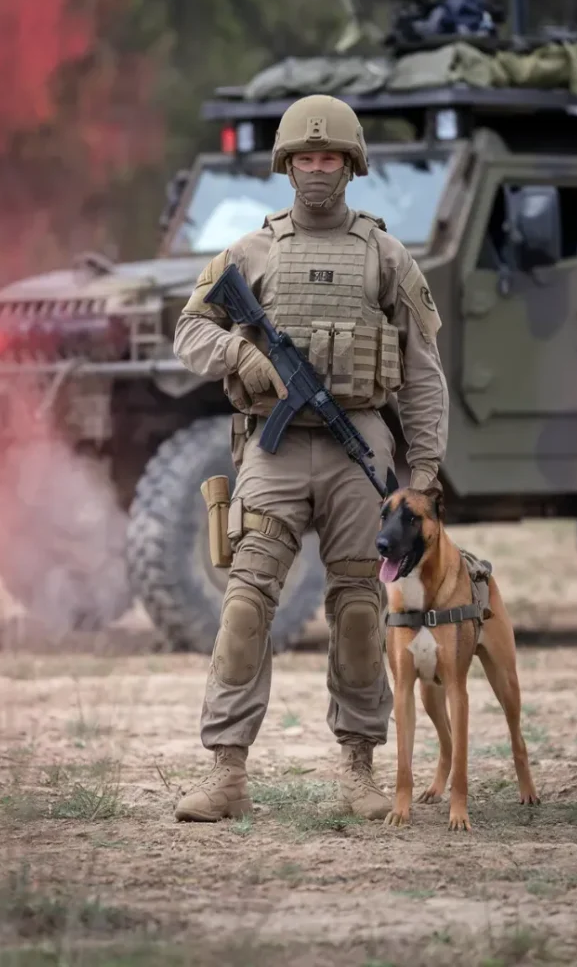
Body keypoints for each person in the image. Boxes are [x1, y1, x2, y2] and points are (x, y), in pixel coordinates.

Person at [172, 94, 449, 823]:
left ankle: (359, 768)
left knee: (359, 608)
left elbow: (422, 373)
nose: (316, 169)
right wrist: (244, 354)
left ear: (350, 165)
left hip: (361, 449)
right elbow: (189, 332)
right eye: (304, 157)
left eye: (328, 158)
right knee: (245, 603)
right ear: (285, 165)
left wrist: (420, 477)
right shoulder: (250, 252)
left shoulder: (386, 255)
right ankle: (226, 772)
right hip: (274, 447)